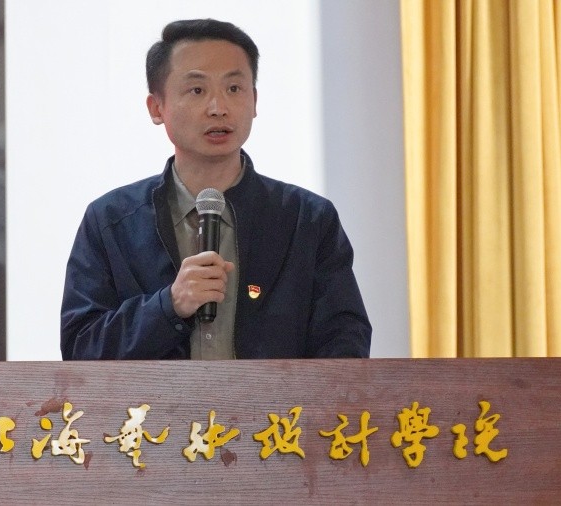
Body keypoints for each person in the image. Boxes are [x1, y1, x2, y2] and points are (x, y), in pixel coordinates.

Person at [60, 19, 371, 360]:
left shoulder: (307, 220)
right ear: (157, 107)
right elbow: (80, 348)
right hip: (157, 399)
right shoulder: (111, 221)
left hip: (272, 399)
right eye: (197, 90)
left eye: (234, 89)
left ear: (254, 100)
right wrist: (168, 306)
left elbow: (345, 346)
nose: (218, 108)